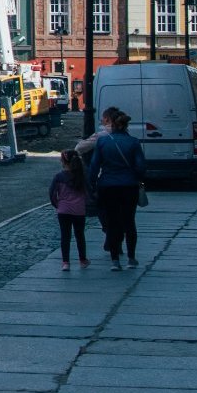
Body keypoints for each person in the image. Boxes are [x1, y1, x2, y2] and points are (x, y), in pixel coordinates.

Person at [85, 107, 147, 271]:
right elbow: (141, 167)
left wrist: (92, 184)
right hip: (128, 186)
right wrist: (137, 177)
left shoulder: (103, 142)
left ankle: (115, 260)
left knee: (112, 222)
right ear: (126, 126)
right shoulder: (133, 142)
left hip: (107, 186)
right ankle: (131, 258)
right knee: (129, 221)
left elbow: (94, 166)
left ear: (112, 125)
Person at [50, 150, 91, 271]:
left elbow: (52, 194)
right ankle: (83, 260)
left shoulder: (59, 177)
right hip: (79, 210)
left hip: (63, 210)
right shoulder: (81, 176)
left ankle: (66, 262)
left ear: (63, 162)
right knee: (80, 235)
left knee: (65, 236)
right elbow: (88, 193)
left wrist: (57, 205)